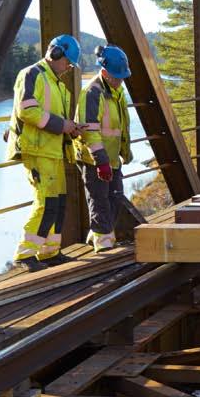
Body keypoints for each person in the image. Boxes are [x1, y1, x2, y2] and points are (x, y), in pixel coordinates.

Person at [6, 34, 82, 266]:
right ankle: (26, 253)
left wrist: (71, 129)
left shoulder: (55, 82)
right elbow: (26, 111)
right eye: (67, 61)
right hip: (38, 151)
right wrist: (63, 125)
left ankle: (49, 251)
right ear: (55, 53)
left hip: (53, 151)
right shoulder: (32, 74)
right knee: (46, 202)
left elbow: (49, 115)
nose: (69, 67)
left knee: (58, 202)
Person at [75, 45, 132, 252]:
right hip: (95, 158)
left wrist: (125, 152)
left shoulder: (116, 92)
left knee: (115, 197)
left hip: (112, 158)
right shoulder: (92, 93)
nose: (120, 81)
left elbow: (121, 126)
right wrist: (101, 161)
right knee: (99, 200)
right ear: (105, 72)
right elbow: (89, 131)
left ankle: (97, 235)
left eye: (122, 77)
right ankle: (103, 247)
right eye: (117, 77)